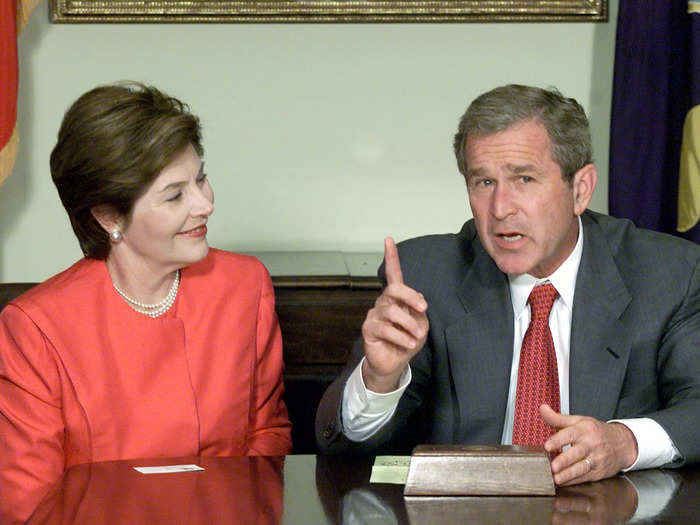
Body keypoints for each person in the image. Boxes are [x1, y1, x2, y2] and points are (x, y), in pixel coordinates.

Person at [316, 84, 700, 488]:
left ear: (581, 189)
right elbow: (344, 450)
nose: (500, 209)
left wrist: (625, 442)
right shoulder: (425, 277)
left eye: (524, 179)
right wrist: (379, 380)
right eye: (483, 183)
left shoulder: (667, 273)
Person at [0, 83, 292, 523]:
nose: (205, 204)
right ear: (109, 216)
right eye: (174, 195)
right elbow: (30, 505)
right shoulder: (36, 328)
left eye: (200, 179)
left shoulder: (244, 286)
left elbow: (266, 440)